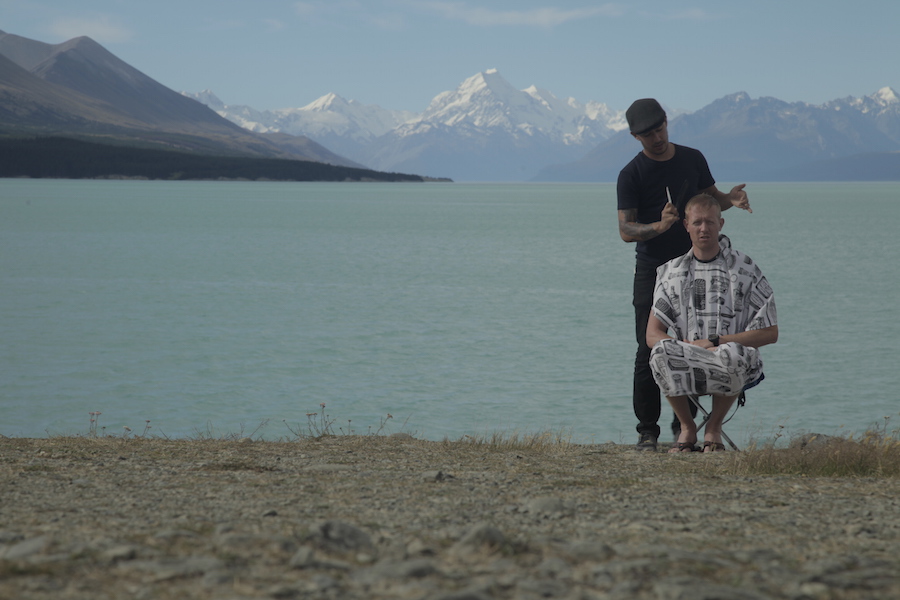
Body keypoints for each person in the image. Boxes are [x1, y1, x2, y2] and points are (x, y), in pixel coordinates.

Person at [617, 97, 752, 452]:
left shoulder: (692, 158)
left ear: (666, 122)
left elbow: (710, 199)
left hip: (696, 268)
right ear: (635, 137)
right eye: (648, 134)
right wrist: (659, 226)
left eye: (660, 128)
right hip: (652, 271)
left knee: (693, 344)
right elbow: (626, 230)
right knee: (648, 347)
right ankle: (647, 431)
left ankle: (685, 427)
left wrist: (731, 199)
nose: (657, 137)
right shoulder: (631, 174)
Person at [646, 193, 778, 452]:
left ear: (721, 224)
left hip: (730, 359)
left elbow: (770, 332)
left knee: (733, 353)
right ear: (686, 225)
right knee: (660, 352)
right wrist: (683, 345)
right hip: (687, 355)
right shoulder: (671, 272)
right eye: (697, 223)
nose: (703, 228)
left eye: (709, 222)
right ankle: (687, 427)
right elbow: (652, 334)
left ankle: (713, 428)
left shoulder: (745, 269)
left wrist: (717, 341)